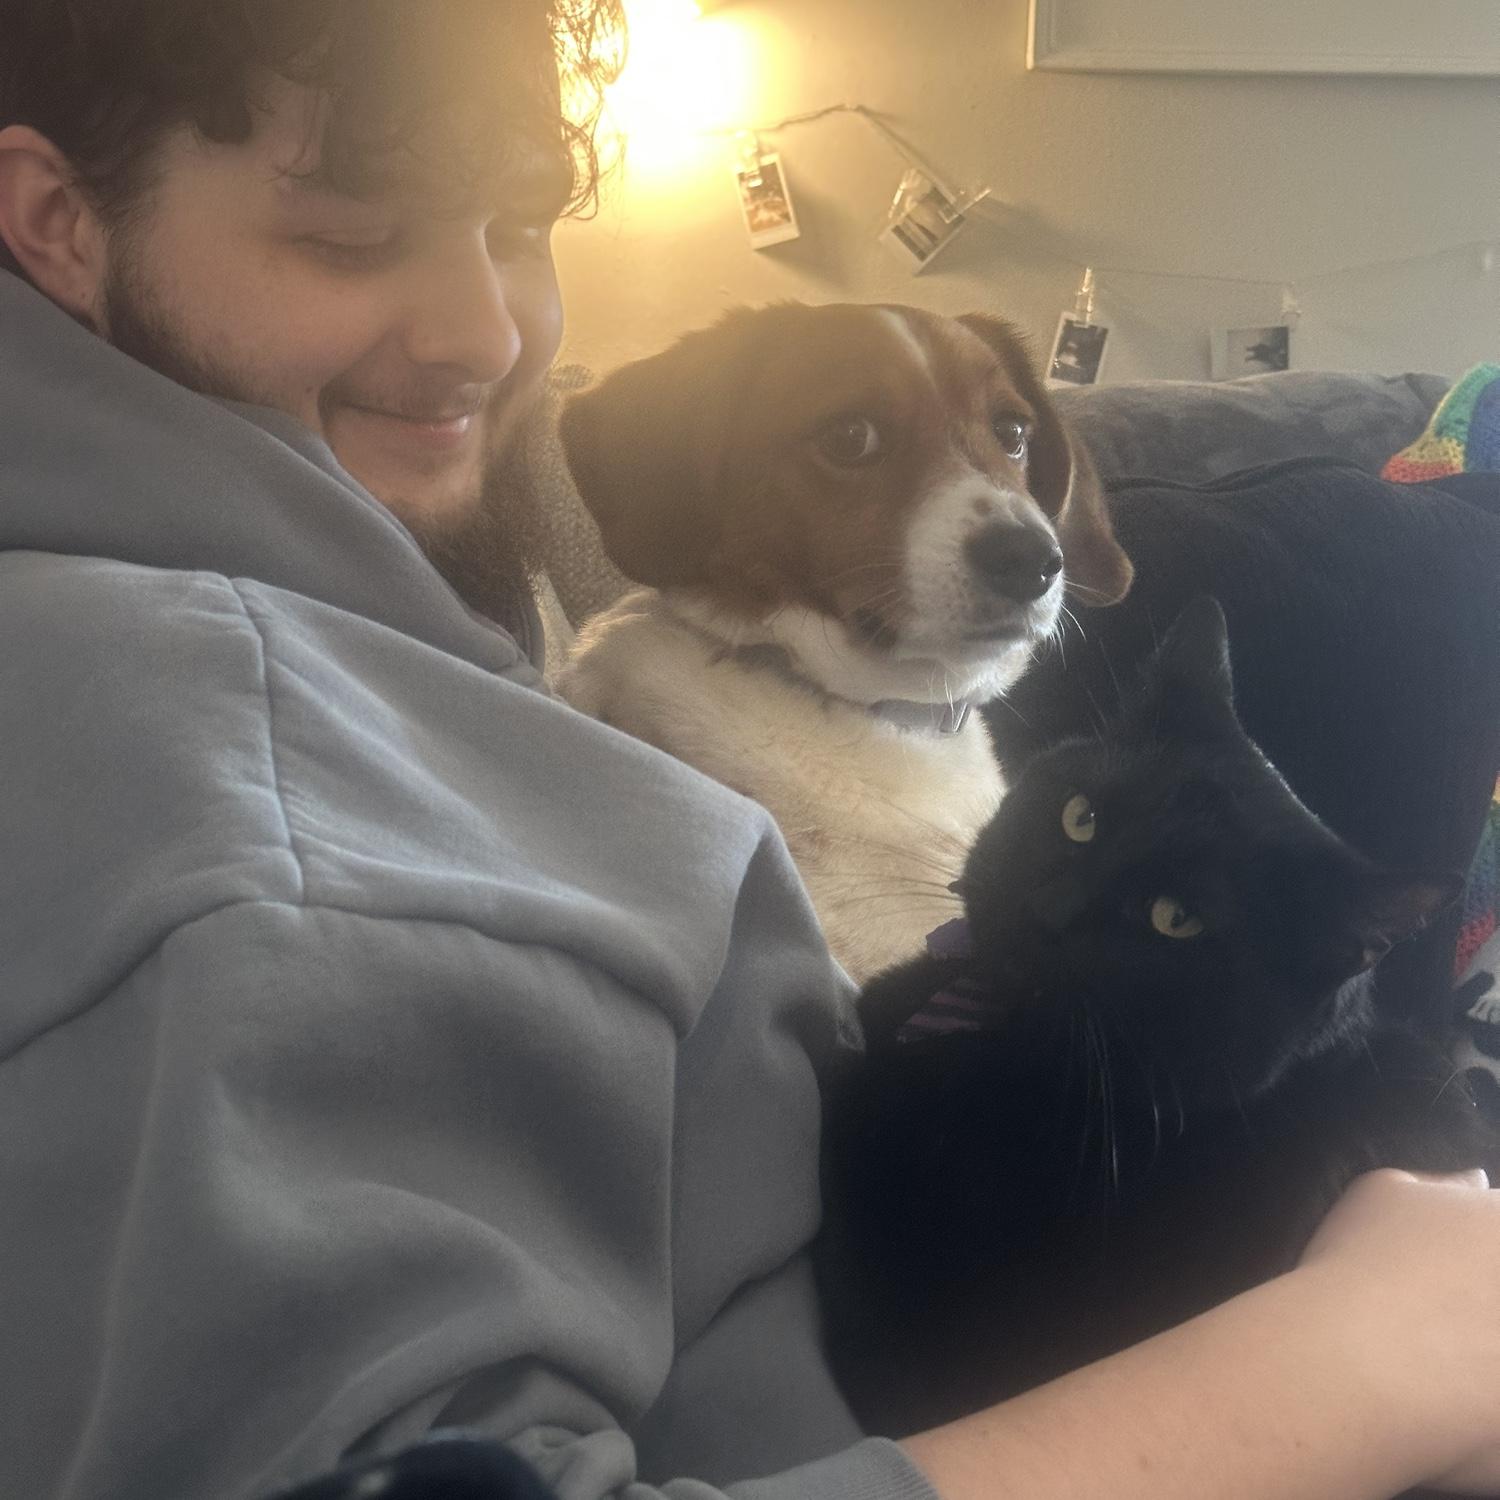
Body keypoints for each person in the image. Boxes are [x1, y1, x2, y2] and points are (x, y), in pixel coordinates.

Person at [2, 5, 1499, 1499]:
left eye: (517, 230)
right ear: (57, 222)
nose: (488, 333)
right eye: (351, 234)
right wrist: (1351, 1364)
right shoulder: (244, 795)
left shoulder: (327, 644)